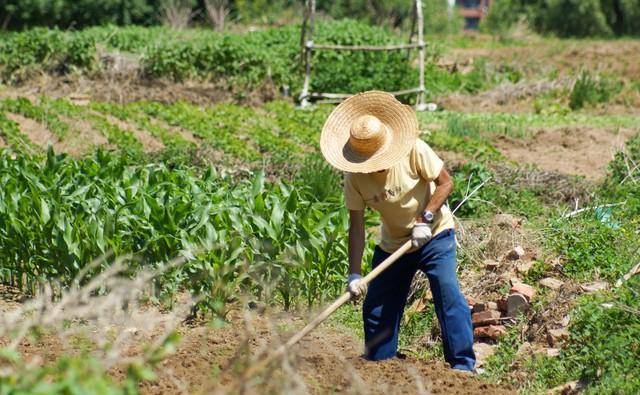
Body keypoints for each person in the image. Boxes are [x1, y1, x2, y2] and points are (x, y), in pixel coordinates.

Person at [319, 91, 475, 372]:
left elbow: (445, 183)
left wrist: (426, 218)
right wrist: (354, 274)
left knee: (447, 292)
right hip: (393, 245)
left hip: (434, 234)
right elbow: (356, 227)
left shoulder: (413, 149)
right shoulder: (354, 176)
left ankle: (463, 365)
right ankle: (382, 366)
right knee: (376, 308)